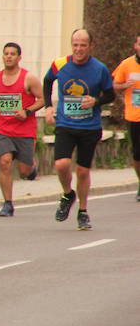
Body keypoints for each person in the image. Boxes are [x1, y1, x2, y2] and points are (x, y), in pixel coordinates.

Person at [44, 29, 114, 230]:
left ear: (91, 46)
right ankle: (68, 193)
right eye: (75, 44)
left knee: (83, 171)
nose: (78, 49)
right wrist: (48, 106)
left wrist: (96, 101)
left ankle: (83, 212)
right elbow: (47, 82)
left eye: (83, 45)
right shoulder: (59, 64)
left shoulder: (99, 69)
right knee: (61, 164)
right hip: (66, 124)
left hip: (89, 127)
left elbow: (110, 95)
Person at [0, 42, 43, 216]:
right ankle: (7, 203)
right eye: (6, 53)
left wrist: (27, 111)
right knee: (5, 163)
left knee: (24, 171)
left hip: (25, 131)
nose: (8, 56)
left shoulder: (28, 78)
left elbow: (43, 99)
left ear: (19, 57)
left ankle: (31, 168)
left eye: (12, 54)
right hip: (4, 130)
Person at [112, 33, 140, 201]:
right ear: (135, 46)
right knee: (137, 154)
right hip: (134, 116)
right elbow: (115, 85)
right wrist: (124, 85)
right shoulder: (126, 64)